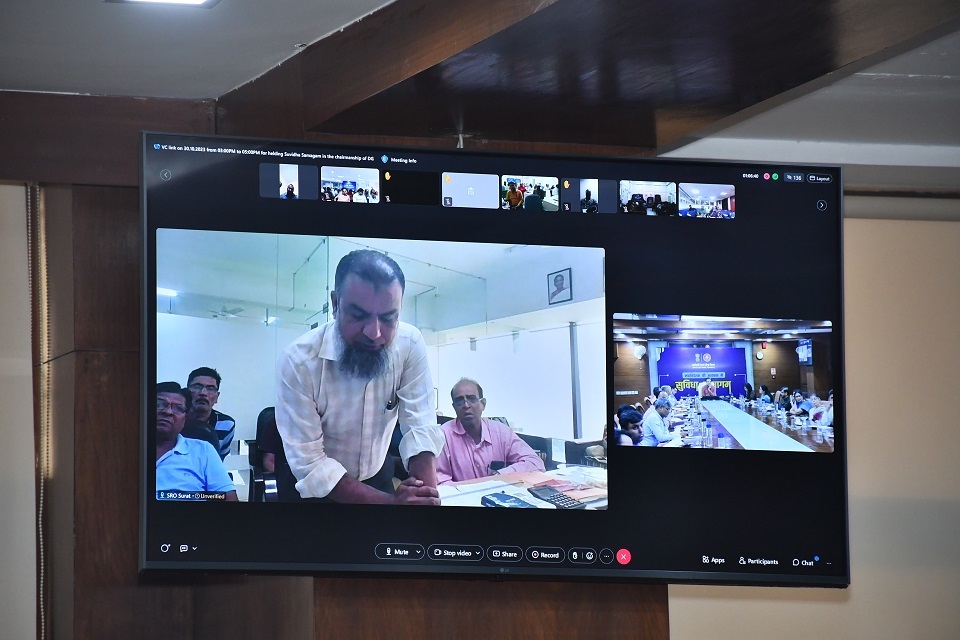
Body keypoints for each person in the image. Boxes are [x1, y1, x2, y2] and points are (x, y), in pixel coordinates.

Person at [275, 249, 444, 504]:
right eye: (358, 315)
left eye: (388, 318)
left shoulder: (409, 343)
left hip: (377, 475)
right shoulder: (299, 362)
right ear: (335, 304)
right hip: (315, 489)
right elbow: (312, 464)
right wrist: (392, 503)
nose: (374, 333)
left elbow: (419, 425)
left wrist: (425, 496)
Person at [435, 378, 544, 483]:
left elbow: (535, 463)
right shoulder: (442, 436)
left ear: (483, 404)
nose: (466, 405)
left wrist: (500, 475)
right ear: (454, 407)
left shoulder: (501, 432)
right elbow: (441, 482)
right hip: (461, 495)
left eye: (471, 398)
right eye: (460, 401)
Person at [155, 382, 237, 501]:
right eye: (159, 404)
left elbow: (226, 497)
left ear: (185, 418)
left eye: (178, 408)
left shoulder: (203, 450)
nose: (168, 412)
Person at [184, 367, 235, 460]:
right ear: (187, 392)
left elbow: (218, 461)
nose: (203, 393)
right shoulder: (173, 419)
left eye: (210, 389)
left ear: (217, 397)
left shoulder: (226, 425)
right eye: (197, 387)